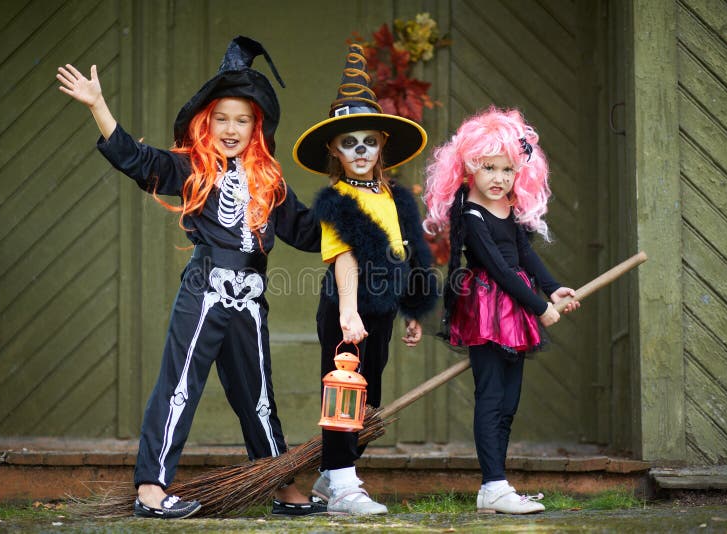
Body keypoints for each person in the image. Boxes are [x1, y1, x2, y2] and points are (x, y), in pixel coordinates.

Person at [56, 36, 327, 519]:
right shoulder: (191, 168)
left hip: (250, 295)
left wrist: (350, 213)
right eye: (221, 118)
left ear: (255, 126)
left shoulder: (271, 181)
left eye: (242, 120)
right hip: (206, 288)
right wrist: (99, 106)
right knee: (179, 385)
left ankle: (279, 483)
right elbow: (140, 162)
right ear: (207, 121)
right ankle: (151, 489)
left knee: (259, 397)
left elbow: (308, 233)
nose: (231, 128)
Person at [293, 44, 438, 515]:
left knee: (368, 398)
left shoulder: (396, 197)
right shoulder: (336, 199)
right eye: (349, 142)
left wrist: (413, 309)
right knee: (343, 392)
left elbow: (411, 253)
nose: (359, 151)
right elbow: (346, 260)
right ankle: (344, 484)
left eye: (368, 141)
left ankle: (330, 478)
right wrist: (348, 312)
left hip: (382, 307)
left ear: (381, 145)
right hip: (347, 305)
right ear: (334, 149)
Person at [421, 107, 580, 514]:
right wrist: (541, 307)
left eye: (508, 170)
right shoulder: (471, 215)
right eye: (489, 168)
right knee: (491, 397)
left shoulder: (507, 206)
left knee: (509, 401)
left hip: (515, 311)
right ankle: (493, 482)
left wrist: (552, 288)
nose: (499, 178)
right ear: (469, 167)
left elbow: (524, 254)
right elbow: (499, 268)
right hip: (487, 309)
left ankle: (496, 485)